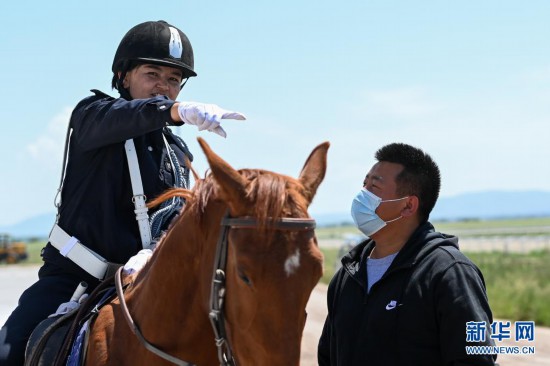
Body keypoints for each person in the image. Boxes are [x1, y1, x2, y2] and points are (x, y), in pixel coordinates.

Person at [0, 20, 245, 365]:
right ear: (123, 76)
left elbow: (175, 221)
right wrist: (174, 111)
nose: (163, 86)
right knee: (6, 354)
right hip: (73, 279)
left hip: (144, 284)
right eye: (152, 73)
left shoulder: (178, 154)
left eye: (173, 80)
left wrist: (155, 253)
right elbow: (126, 117)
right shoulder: (92, 117)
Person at [318, 143, 496, 366]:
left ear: (408, 206)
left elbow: (474, 361)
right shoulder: (349, 274)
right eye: (364, 184)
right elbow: (328, 356)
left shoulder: (448, 273)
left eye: (374, 187)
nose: (361, 195)